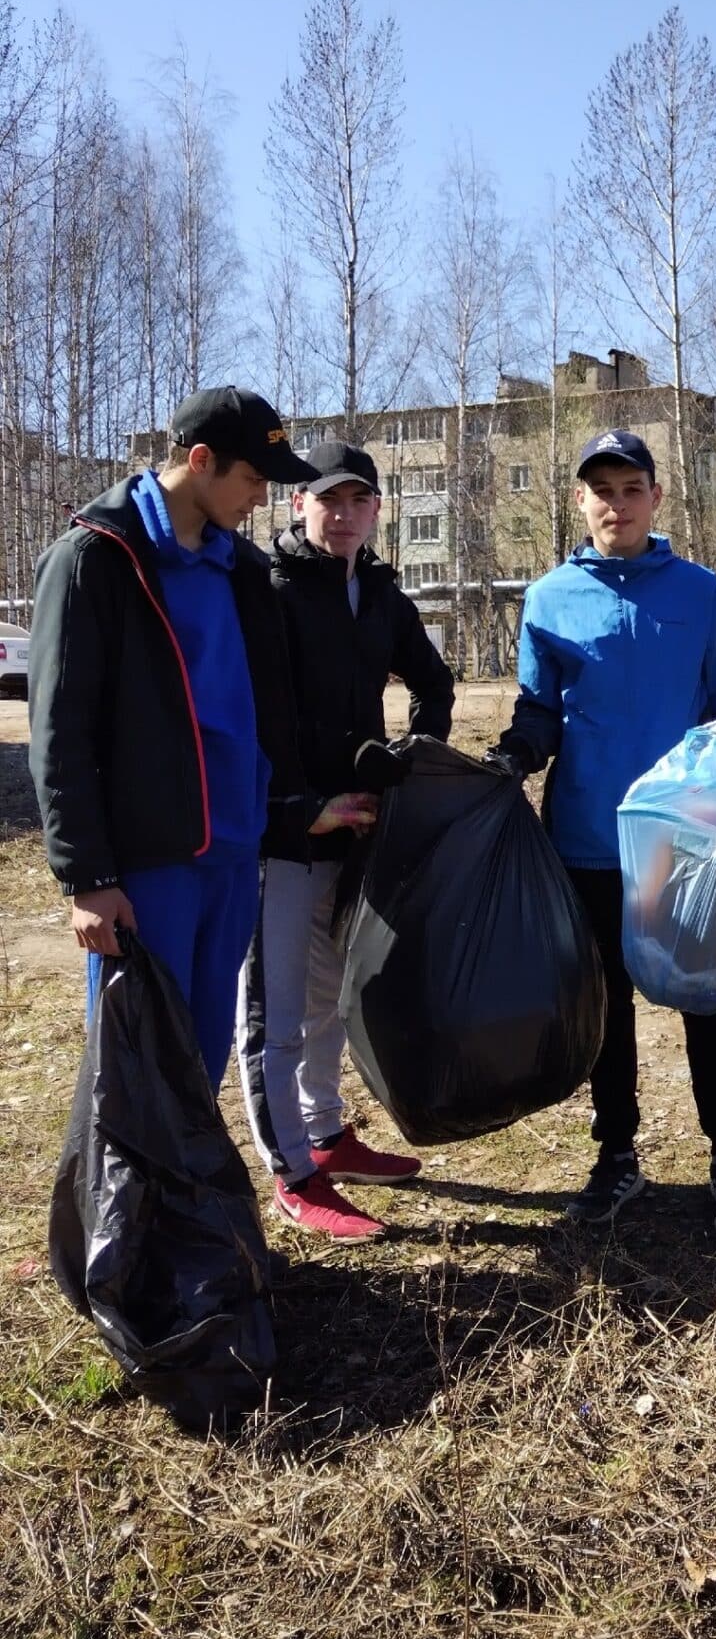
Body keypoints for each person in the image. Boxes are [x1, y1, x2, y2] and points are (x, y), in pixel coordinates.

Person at [27, 387, 373, 1088]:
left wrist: (292, 811)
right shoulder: (97, 559)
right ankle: (132, 1201)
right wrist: (87, 875)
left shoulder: (242, 572)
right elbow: (60, 728)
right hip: (150, 862)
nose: (261, 498)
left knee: (204, 1055)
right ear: (201, 460)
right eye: (251, 479)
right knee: (136, 1068)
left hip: (234, 855)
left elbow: (261, 717)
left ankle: (185, 1198)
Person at [487, 430, 716, 1235]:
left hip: (683, 840)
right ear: (580, 501)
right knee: (604, 1008)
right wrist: (514, 755)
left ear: (655, 498)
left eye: (630, 486)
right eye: (600, 488)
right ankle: (616, 1157)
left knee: (705, 999)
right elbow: (538, 710)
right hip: (584, 837)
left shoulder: (698, 593)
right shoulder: (549, 599)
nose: (616, 501)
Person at [236, 442, 456, 1240]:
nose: (343, 514)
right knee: (276, 1009)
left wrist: (413, 759)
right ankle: (291, 1172)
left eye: (359, 501)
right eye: (328, 499)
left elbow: (434, 683)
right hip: (285, 830)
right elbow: (246, 717)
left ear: (376, 511)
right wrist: (297, 807)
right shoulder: (267, 591)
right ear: (299, 506)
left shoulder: (382, 596)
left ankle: (326, 1134)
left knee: (331, 998)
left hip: (355, 832)